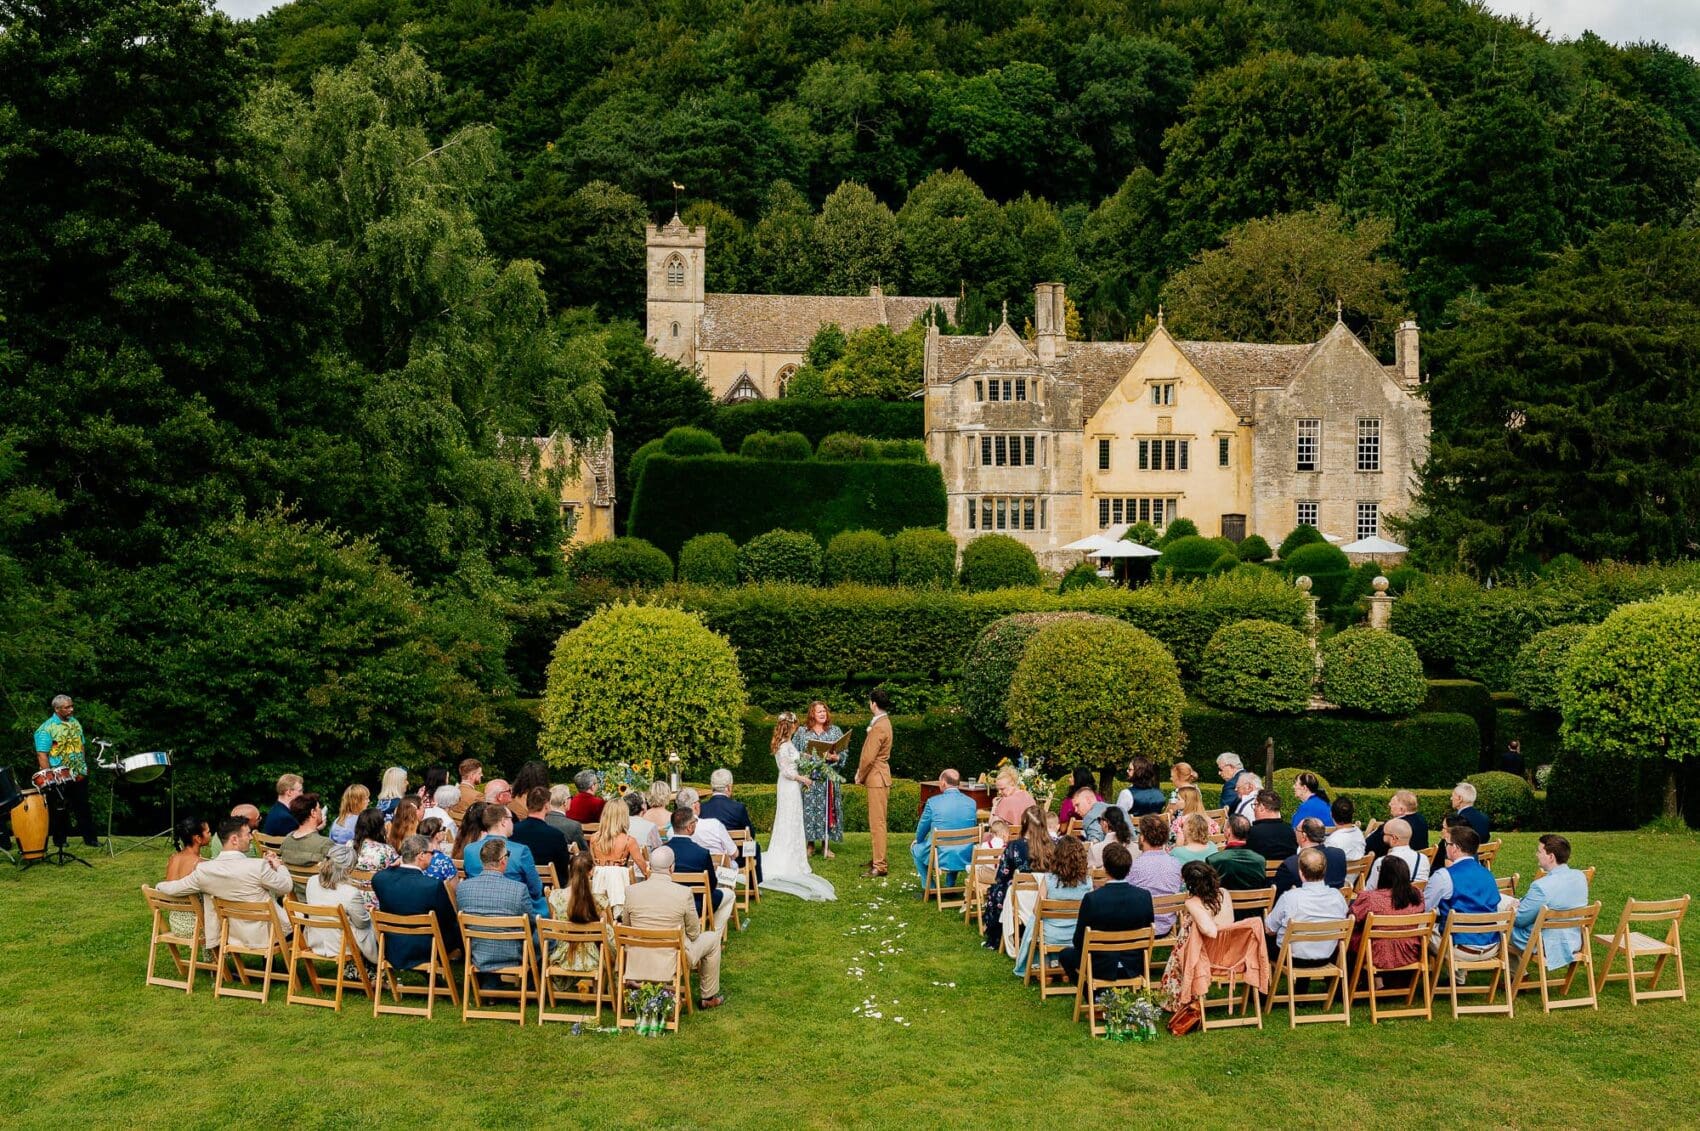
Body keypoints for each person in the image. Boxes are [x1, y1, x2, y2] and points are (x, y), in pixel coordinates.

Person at [156, 816, 292, 950]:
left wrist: (158, 886)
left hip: (230, 936)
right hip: (267, 936)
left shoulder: (205, 870)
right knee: (302, 919)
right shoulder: (258, 866)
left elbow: (174, 888)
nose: (251, 837)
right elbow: (286, 886)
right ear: (234, 839)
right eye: (248, 834)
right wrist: (278, 866)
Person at [624, 845, 724, 1009]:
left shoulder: (631, 891)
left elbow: (627, 927)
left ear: (649, 866)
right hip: (671, 958)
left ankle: (641, 983)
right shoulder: (683, 893)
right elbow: (694, 933)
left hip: (638, 957)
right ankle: (708, 996)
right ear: (672, 867)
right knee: (712, 938)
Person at [762, 710, 837, 901]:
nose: (797, 728)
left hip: (790, 786)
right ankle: (787, 857)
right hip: (789, 785)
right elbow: (786, 770)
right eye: (795, 725)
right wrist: (803, 779)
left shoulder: (787, 744)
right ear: (790, 726)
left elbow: (797, 757)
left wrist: (813, 756)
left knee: (793, 819)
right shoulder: (783, 745)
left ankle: (795, 855)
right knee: (788, 819)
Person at [1158, 860, 1250, 1011]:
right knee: (1189, 931)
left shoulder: (1193, 902)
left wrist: (1194, 919)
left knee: (1185, 940)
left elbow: (1210, 931)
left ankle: (1176, 997)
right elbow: (1228, 921)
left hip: (1206, 957)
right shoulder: (1224, 893)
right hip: (1229, 954)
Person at [1057, 843, 1155, 982]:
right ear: (1128, 869)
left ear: (1105, 868)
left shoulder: (1093, 899)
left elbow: (1079, 940)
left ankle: (1093, 994)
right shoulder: (1144, 896)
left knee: (1065, 955)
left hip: (1099, 966)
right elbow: (1148, 930)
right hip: (1134, 964)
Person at [371, 834, 462, 967]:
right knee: (456, 927)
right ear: (421, 855)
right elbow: (448, 920)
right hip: (426, 949)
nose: (434, 856)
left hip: (392, 946)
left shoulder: (380, 880)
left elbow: (381, 875)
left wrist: (392, 867)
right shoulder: (432, 885)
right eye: (432, 853)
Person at [455, 839, 535, 987]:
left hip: (477, 952)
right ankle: (529, 985)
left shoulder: (463, 889)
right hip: (513, 953)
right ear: (503, 860)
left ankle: (491, 983)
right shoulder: (518, 889)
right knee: (542, 940)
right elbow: (531, 922)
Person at [1424, 825, 1502, 969]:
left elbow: (1425, 907)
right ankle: (1458, 980)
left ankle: (1416, 978)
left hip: (1459, 949)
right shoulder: (1488, 874)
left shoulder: (1444, 876)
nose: (1445, 847)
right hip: (1491, 946)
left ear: (1455, 848)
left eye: (1446, 844)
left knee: (1424, 929)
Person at [1014, 834, 1091, 977]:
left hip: (1051, 936)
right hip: (1077, 935)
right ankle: (1056, 962)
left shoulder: (1049, 880)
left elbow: (1037, 910)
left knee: (1034, 920)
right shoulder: (1087, 882)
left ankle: (1041, 962)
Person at [1511, 834, 1590, 969]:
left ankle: (1513, 974)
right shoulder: (1580, 876)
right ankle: (1517, 973)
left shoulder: (1542, 886)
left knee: (1500, 924)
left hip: (1545, 943)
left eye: (1539, 851)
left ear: (1551, 856)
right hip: (1574, 940)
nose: (1536, 854)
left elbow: (1519, 920)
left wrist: (1511, 909)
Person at [34, 694, 99, 848]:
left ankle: (91, 839)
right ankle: (60, 840)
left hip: (78, 772)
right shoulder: (46, 729)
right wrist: (49, 777)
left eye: (71, 706)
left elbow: (81, 745)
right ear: (57, 709)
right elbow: (42, 754)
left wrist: (83, 766)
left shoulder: (75, 723)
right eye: (67, 707)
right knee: (59, 809)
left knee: (83, 806)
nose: (71, 709)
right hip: (59, 775)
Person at [1265, 848, 1349, 966]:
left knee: (1264, 936)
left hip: (1290, 957)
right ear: (1325, 870)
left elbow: (1269, 929)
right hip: (1326, 956)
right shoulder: (1338, 896)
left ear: (1300, 872)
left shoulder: (1290, 897)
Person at [1348, 854, 1424, 984]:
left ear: (1383, 875)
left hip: (1376, 954)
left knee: (1347, 936)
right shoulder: (1417, 895)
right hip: (1409, 952)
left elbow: (1352, 920)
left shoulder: (1370, 899)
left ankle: (1351, 983)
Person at [985, 807, 1050, 952]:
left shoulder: (1015, 846)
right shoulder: (1053, 845)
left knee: (997, 889)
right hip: (1046, 896)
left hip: (1020, 897)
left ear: (1025, 822)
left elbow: (1002, 874)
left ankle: (997, 934)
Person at [466, 804, 549, 916]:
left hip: (477, 910)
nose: (513, 823)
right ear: (504, 821)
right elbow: (535, 890)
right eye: (511, 819)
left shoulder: (469, 850)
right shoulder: (521, 851)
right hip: (515, 912)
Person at [303, 844, 378, 965]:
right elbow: (362, 924)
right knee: (373, 927)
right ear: (348, 870)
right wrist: (369, 913)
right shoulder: (351, 893)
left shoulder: (311, 881)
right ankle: (374, 971)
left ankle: (361, 973)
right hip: (341, 944)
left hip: (315, 939)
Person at [795, 699, 847, 857]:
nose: (823, 714)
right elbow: (793, 752)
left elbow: (844, 751)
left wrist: (837, 757)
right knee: (809, 810)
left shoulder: (835, 730)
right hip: (809, 779)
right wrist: (804, 756)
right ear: (812, 714)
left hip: (827, 779)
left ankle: (826, 844)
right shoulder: (802, 732)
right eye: (819, 711)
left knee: (827, 810)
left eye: (824, 711)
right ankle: (809, 845)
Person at [669, 808, 733, 934]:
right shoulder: (701, 853)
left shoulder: (662, 850)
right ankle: (715, 936)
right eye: (695, 822)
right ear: (690, 827)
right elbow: (712, 885)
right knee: (729, 894)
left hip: (669, 902)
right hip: (694, 905)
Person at [912, 769, 978, 889]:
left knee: (915, 848)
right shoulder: (971, 803)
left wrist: (918, 840)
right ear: (959, 784)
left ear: (943, 783)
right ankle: (950, 885)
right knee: (958, 841)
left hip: (940, 855)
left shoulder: (933, 802)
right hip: (966, 854)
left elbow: (921, 830)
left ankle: (930, 887)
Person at [546, 852, 605, 982]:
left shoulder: (556, 897)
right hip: (593, 958)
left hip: (563, 956)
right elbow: (606, 933)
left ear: (570, 870)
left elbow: (555, 931)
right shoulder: (599, 900)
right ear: (591, 872)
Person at [854, 687, 894, 878]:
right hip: (879, 775)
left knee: (877, 823)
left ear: (873, 704)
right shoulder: (883, 722)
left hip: (877, 777)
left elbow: (869, 757)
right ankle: (877, 859)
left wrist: (860, 775)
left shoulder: (879, 726)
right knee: (876, 822)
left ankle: (880, 865)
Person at [1125, 814, 1185, 935]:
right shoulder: (1175, 864)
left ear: (1142, 838)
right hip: (1166, 925)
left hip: (1141, 926)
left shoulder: (1135, 866)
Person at [701, 768, 761, 884]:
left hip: (710, 856)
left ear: (712, 786)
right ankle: (754, 886)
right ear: (728, 787)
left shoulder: (702, 808)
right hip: (735, 856)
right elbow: (751, 834)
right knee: (755, 846)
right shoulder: (738, 808)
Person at [588, 800, 648, 915]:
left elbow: (593, 866)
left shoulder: (594, 838)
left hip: (598, 889)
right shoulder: (629, 841)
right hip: (621, 889)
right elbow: (644, 869)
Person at [510, 786, 573, 882]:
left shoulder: (513, 830)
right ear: (547, 805)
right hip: (550, 887)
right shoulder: (556, 835)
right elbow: (563, 869)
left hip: (519, 883)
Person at [163, 816, 211, 941]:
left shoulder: (173, 858)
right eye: (208, 832)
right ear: (198, 838)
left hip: (176, 923)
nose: (211, 834)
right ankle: (217, 958)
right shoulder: (200, 864)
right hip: (196, 926)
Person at [1274, 818, 1347, 894]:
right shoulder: (1339, 855)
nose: (1295, 832)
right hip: (1334, 903)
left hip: (1305, 905)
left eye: (1297, 830)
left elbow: (1279, 897)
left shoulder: (1291, 864)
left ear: (1304, 836)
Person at [1205, 815, 1268, 900]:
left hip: (1224, 910)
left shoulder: (1213, 860)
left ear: (1228, 831)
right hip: (1254, 911)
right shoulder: (1260, 860)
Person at [1365, 818, 1431, 887]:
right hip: (1414, 897)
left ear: (1394, 838)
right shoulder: (1423, 859)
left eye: (1383, 834)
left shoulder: (1382, 862)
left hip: (1390, 897)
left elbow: (1370, 889)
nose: (1382, 836)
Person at [1364, 791, 1429, 857]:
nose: (1389, 804)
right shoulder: (1421, 820)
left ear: (1401, 810)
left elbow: (1366, 846)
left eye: (1392, 803)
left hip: (1389, 864)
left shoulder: (1393, 827)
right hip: (1414, 862)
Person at [279, 793, 331, 869]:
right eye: (319, 808)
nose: (321, 810)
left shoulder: (287, 840)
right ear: (313, 812)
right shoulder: (325, 844)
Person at [1245, 790, 1299, 861]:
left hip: (1260, 871)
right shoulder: (1292, 831)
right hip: (1288, 870)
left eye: (1255, 805)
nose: (1254, 809)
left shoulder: (1251, 832)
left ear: (1261, 807)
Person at [1088, 805, 1135, 871]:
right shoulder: (1136, 849)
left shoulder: (1094, 850)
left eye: (1099, 820)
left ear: (1105, 824)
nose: (1099, 823)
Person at [352, 808, 399, 874]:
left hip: (352, 883)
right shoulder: (387, 850)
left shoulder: (349, 845)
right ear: (380, 827)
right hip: (377, 884)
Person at [544, 785, 588, 852]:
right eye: (570, 798)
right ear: (565, 802)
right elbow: (584, 852)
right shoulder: (574, 826)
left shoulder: (540, 822)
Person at [416, 817, 458, 883]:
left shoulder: (414, 856)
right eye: (443, 829)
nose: (444, 831)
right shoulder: (444, 861)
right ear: (437, 835)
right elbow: (453, 890)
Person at [1325, 796, 1366, 861]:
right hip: (1359, 870)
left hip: (1340, 870)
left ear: (1331, 815)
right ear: (1352, 815)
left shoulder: (1332, 841)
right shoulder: (1359, 833)